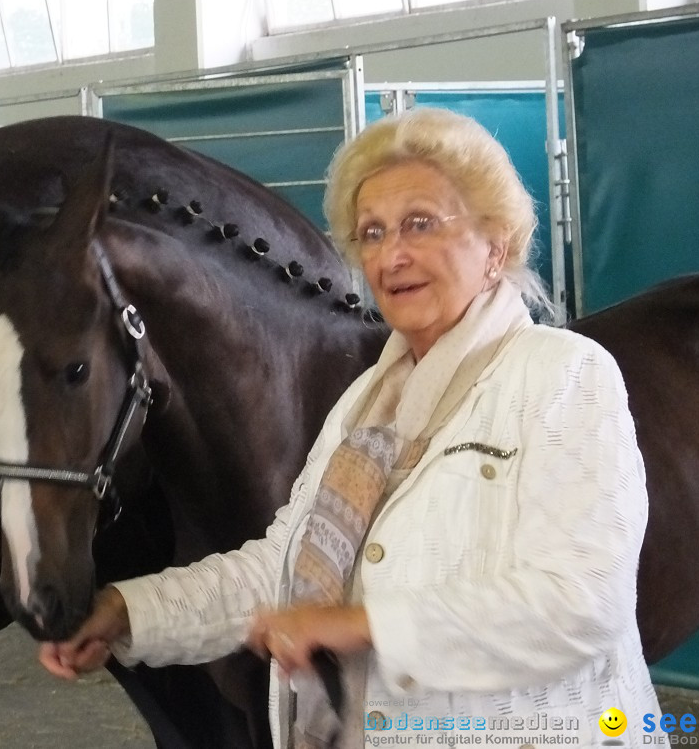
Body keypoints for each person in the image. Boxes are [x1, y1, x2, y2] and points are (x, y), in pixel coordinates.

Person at [38, 107, 661, 748]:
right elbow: (281, 567)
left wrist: (365, 625)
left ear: (495, 244)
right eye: (372, 232)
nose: (392, 254)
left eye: (420, 223)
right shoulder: (368, 399)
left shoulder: (565, 375)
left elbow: (581, 601)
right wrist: (127, 612)